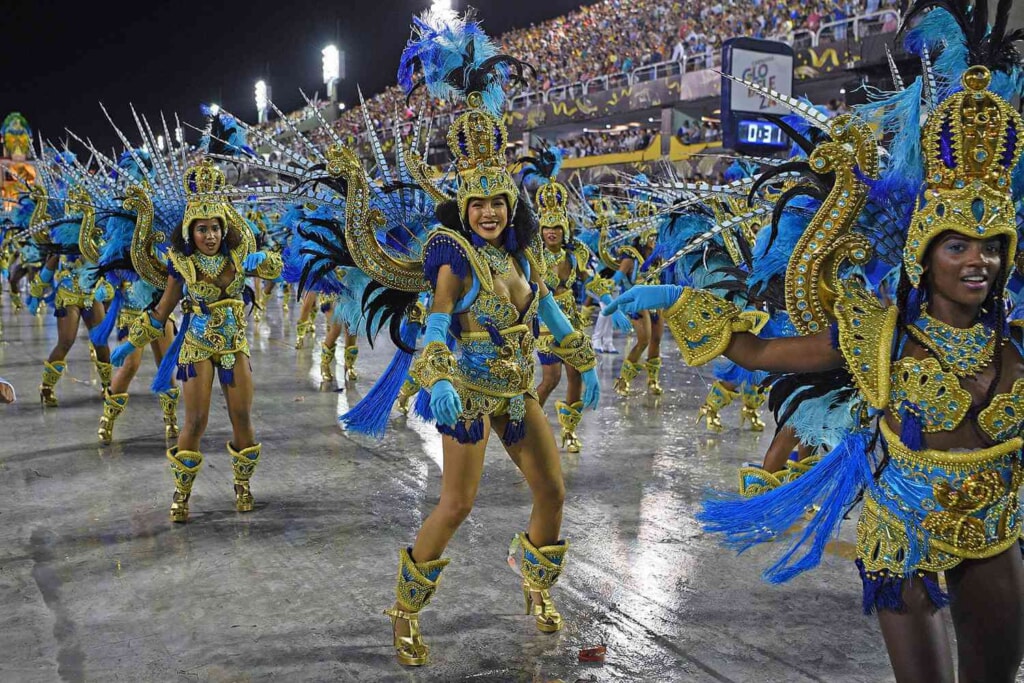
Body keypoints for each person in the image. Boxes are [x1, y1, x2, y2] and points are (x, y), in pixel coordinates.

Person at [605, 10, 1024, 677]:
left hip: (996, 531)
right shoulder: (879, 330)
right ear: (924, 250)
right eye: (956, 244)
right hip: (903, 535)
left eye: (989, 247)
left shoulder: (1017, 341)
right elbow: (761, 353)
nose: (977, 262)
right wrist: (673, 298)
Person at [340, 10, 600, 665]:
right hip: (471, 394)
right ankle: (403, 612)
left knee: (553, 491)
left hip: (518, 390)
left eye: (498, 203)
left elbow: (549, 312)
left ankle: (536, 587)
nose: (488, 211)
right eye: (478, 203)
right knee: (456, 503)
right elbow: (434, 324)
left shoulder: (519, 257)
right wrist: (441, 376)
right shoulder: (452, 253)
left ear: (511, 206)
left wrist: (580, 358)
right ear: (463, 204)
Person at [111, 160, 282, 523]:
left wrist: (266, 261)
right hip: (197, 347)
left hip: (234, 345)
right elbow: (162, 311)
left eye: (215, 228)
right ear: (191, 232)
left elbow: (276, 269)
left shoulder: (239, 256)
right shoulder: (182, 264)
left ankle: (243, 485)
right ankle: (182, 492)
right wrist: (132, 341)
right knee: (196, 421)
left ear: (224, 228)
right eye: (202, 229)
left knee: (242, 417)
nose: (209, 236)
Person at [523, 147, 594, 452]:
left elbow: (594, 281)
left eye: (556, 227)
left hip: (572, 321)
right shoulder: (532, 256)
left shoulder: (576, 254)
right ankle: (527, 428)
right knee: (550, 378)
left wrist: (614, 298)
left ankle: (569, 431)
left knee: (575, 374)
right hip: (546, 323)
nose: (551, 232)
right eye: (546, 227)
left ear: (564, 228)